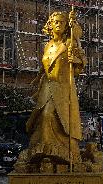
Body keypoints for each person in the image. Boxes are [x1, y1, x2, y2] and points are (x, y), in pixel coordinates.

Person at [15, 11, 87, 172]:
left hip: (62, 88)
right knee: (39, 119)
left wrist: (75, 61)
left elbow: (80, 65)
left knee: (50, 115)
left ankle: (57, 152)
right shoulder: (47, 45)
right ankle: (42, 152)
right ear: (50, 24)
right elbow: (44, 68)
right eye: (55, 22)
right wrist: (36, 81)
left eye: (62, 22)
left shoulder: (70, 43)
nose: (59, 24)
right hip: (46, 87)